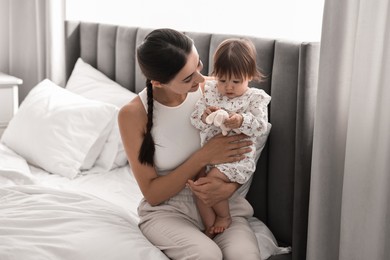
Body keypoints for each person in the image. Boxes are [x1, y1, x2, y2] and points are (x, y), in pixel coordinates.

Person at [118, 28, 261, 260]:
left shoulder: (218, 88)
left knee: (244, 255)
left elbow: (244, 147)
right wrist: (203, 156)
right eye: (187, 78)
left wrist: (227, 189)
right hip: (168, 210)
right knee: (206, 255)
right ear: (158, 82)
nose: (201, 79)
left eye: (199, 65)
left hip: (221, 201)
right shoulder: (133, 114)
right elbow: (153, 194)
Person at [190, 38, 271, 237]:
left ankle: (224, 217)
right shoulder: (209, 92)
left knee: (208, 185)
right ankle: (210, 227)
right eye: (222, 80)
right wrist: (205, 115)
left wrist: (241, 120)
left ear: (249, 76)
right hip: (211, 157)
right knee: (199, 189)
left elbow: (260, 126)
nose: (228, 87)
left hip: (236, 158)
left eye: (236, 81)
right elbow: (195, 121)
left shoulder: (254, 98)